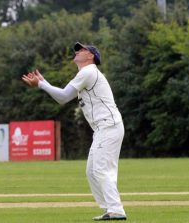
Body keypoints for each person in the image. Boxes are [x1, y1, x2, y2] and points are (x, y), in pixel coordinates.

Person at [22, 42, 127, 221]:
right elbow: (63, 97)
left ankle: (116, 209)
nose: (77, 52)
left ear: (91, 56)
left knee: (101, 169)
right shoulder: (85, 73)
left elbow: (63, 97)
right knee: (92, 172)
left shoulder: (89, 71)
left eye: (82, 50)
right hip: (103, 128)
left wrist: (41, 85)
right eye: (77, 49)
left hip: (109, 126)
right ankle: (109, 209)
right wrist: (43, 82)